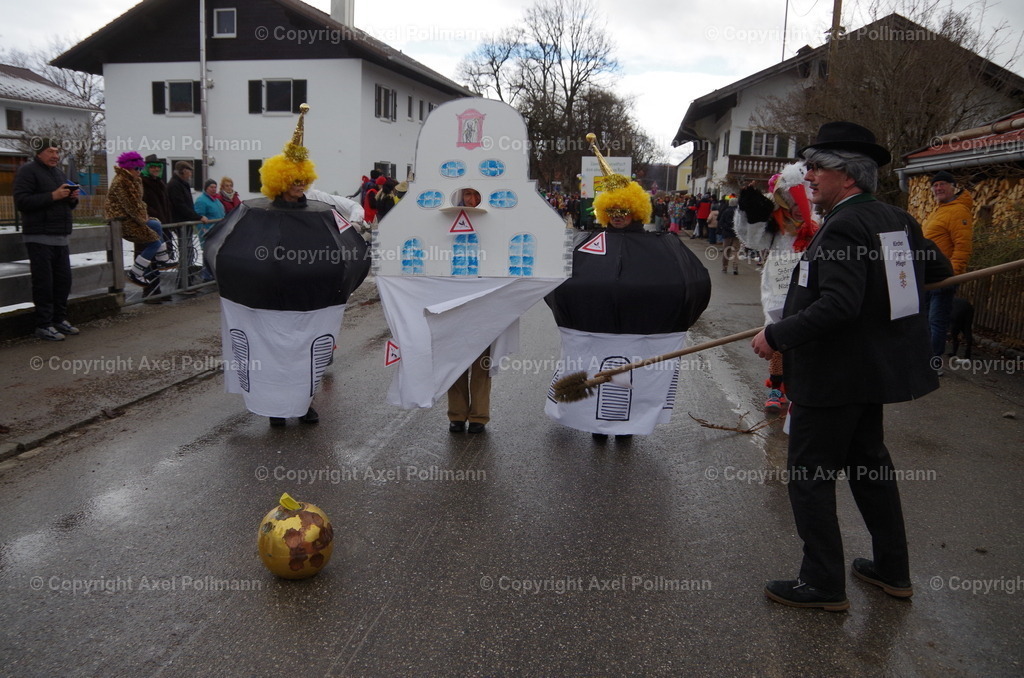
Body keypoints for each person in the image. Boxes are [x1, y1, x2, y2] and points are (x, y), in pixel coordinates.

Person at [750, 121, 952, 611]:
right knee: (870, 469)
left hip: (833, 376)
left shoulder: (844, 225)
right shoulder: (896, 218)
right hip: (869, 373)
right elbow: (940, 275)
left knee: (810, 475)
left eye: (818, 168)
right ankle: (892, 569)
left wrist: (775, 335)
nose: (809, 177)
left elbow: (838, 304)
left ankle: (822, 583)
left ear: (849, 176)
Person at [203, 104, 370, 428]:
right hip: (265, 305)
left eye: (301, 180)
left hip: (308, 303)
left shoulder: (321, 212)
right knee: (270, 360)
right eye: (292, 180)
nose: (298, 185)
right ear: (279, 181)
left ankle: (302, 404)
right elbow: (226, 246)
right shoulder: (256, 213)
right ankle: (275, 409)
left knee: (302, 361)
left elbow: (343, 248)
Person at [545, 141, 711, 442]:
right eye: (612, 210)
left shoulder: (661, 245)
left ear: (636, 210)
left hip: (640, 335)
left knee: (632, 380)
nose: (619, 215)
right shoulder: (588, 243)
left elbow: (689, 279)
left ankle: (627, 429)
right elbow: (558, 278)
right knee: (600, 376)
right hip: (595, 333)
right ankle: (597, 427)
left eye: (624, 209)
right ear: (604, 212)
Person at [735, 164, 819, 413]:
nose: (795, 207)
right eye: (789, 200)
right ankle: (776, 387)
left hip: (811, 285)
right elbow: (753, 240)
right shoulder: (778, 223)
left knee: (807, 336)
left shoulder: (821, 220)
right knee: (778, 337)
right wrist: (750, 215)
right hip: (779, 286)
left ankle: (803, 389)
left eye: (799, 200)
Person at [13, 138, 80, 341]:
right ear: (39, 153)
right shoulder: (27, 171)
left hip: (60, 236)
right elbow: (22, 201)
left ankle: (59, 319)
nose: (55, 156)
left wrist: (71, 198)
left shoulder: (58, 173)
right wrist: (53, 196)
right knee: (44, 283)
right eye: (51, 151)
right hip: (39, 237)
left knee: (63, 282)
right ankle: (44, 324)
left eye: (57, 152)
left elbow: (64, 203)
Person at [921, 170, 973, 369]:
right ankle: (923, 360)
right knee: (924, 319)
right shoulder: (940, 209)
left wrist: (953, 275)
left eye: (943, 184)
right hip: (928, 275)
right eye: (935, 185)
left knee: (936, 321)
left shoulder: (958, 211)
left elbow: (962, 246)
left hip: (943, 277)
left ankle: (932, 365)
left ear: (954, 187)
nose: (938, 188)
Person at [104, 151, 174, 287]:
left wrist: (145, 216)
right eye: (137, 168)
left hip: (134, 217)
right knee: (154, 242)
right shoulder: (122, 181)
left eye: (140, 168)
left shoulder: (135, 180)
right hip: (122, 220)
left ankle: (162, 259)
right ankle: (135, 272)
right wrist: (143, 217)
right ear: (129, 167)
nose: (139, 171)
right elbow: (130, 205)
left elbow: (140, 203)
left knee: (156, 224)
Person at [140, 155, 173, 302]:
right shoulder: (142, 182)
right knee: (148, 259)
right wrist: (155, 218)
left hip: (162, 226)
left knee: (158, 260)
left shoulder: (159, 182)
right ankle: (148, 292)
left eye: (158, 167)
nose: (155, 169)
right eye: (153, 167)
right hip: (149, 227)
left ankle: (156, 290)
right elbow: (143, 205)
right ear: (147, 167)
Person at [718, 197, 740, 274]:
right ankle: (735, 268)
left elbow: (721, 222)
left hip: (727, 234)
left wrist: (726, 228)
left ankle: (724, 268)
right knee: (735, 251)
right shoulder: (739, 212)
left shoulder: (725, 211)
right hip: (736, 234)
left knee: (726, 251)